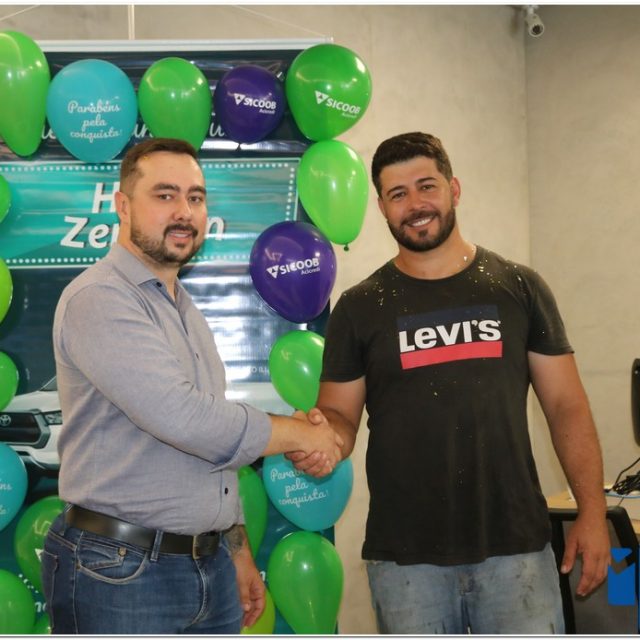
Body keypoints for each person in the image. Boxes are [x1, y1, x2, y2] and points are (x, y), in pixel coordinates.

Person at [289, 132, 610, 634]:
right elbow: (340, 417)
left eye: (427, 186)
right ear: (382, 207)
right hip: (406, 563)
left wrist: (592, 513)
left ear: (453, 189)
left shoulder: (519, 287)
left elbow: (566, 405)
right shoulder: (359, 307)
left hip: (517, 552)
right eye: (398, 194)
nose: (415, 205)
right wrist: (317, 439)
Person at [41, 137, 343, 635]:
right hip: (117, 572)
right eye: (165, 195)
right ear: (122, 206)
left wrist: (236, 550)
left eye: (195, 197)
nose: (184, 211)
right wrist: (300, 434)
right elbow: (182, 417)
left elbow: (208, 447)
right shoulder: (99, 297)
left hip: (207, 568)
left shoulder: (184, 308)